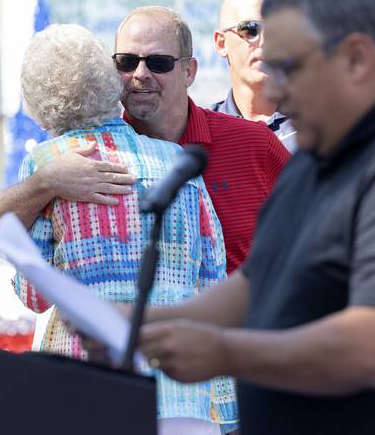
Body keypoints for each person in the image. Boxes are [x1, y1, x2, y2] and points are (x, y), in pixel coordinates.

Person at [131, 0, 375, 435]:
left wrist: (223, 351)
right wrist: (137, 325)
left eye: (288, 67)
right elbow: (257, 284)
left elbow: (374, 350)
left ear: (357, 58)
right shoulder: (326, 142)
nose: (274, 87)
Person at [13, 23, 236, 434]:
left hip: (88, 384)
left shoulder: (49, 164)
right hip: (182, 390)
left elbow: (34, 293)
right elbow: (213, 278)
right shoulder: (174, 158)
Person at [0, 6, 289, 275]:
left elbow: (318, 234)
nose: (140, 74)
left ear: (189, 71)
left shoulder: (254, 145)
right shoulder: (79, 158)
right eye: (126, 62)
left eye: (158, 63)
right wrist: (45, 183)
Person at [212, 0, 297, 152]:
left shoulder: (322, 125)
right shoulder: (202, 130)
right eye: (250, 29)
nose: (265, 41)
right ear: (221, 43)